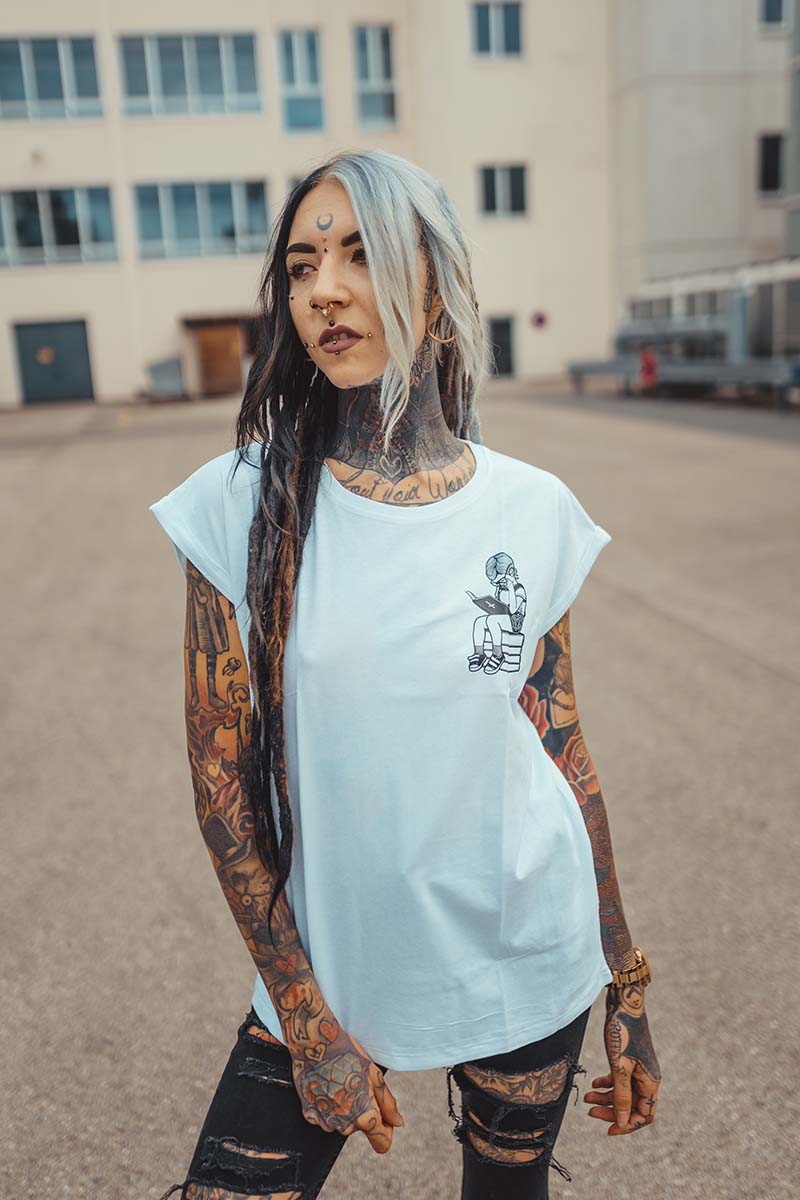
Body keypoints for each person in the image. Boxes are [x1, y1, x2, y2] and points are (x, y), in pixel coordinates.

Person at [150, 149, 661, 1200]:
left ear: (434, 287)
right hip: (332, 971)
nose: (323, 291)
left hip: (525, 949)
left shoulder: (530, 509)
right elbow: (222, 787)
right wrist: (306, 1021)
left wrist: (627, 978)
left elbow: (560, 747)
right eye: (301, 268)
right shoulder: (238, 505)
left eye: (358, 255)